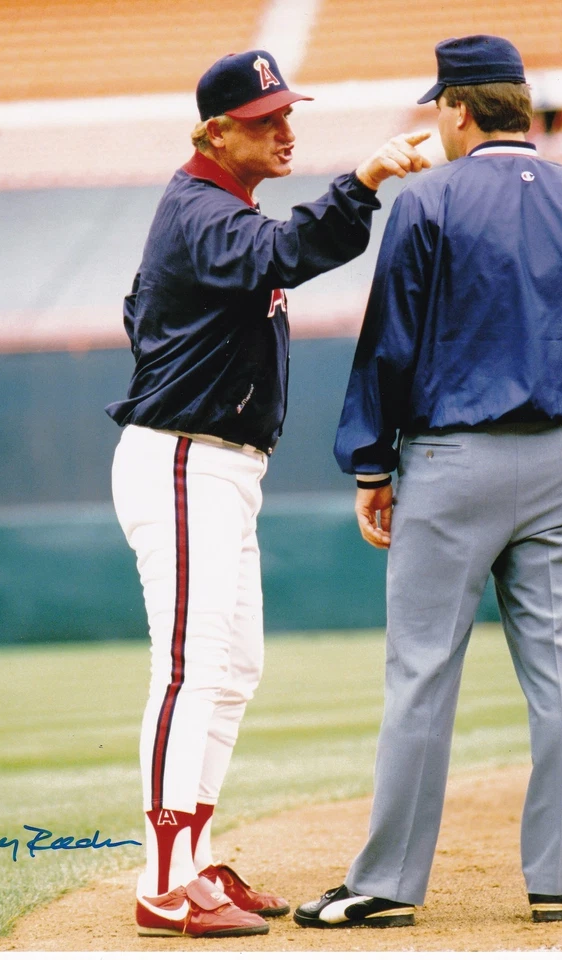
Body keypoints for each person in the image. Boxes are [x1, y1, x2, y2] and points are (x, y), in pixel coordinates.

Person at [296, 34, 562, 931]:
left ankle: (388, 885)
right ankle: (557, 881)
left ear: (458, 107)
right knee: (561, 676)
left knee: (421, 674)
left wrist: (371, 462)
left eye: (436, 106)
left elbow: (390, 342)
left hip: (454, 461)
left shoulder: (429, 199)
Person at [106, 49, 431, 938]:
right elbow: (289, 250)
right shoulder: (198, 206)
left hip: (215, 462)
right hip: (182, 456)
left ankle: (194, 860)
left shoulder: (215, 215)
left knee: (231, 669)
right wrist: (362, 179)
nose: (286, 128)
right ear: (214, 131)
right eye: (264, 119)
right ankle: (167, 883)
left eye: (288, 112)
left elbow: (145, 309)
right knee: (189, 672)